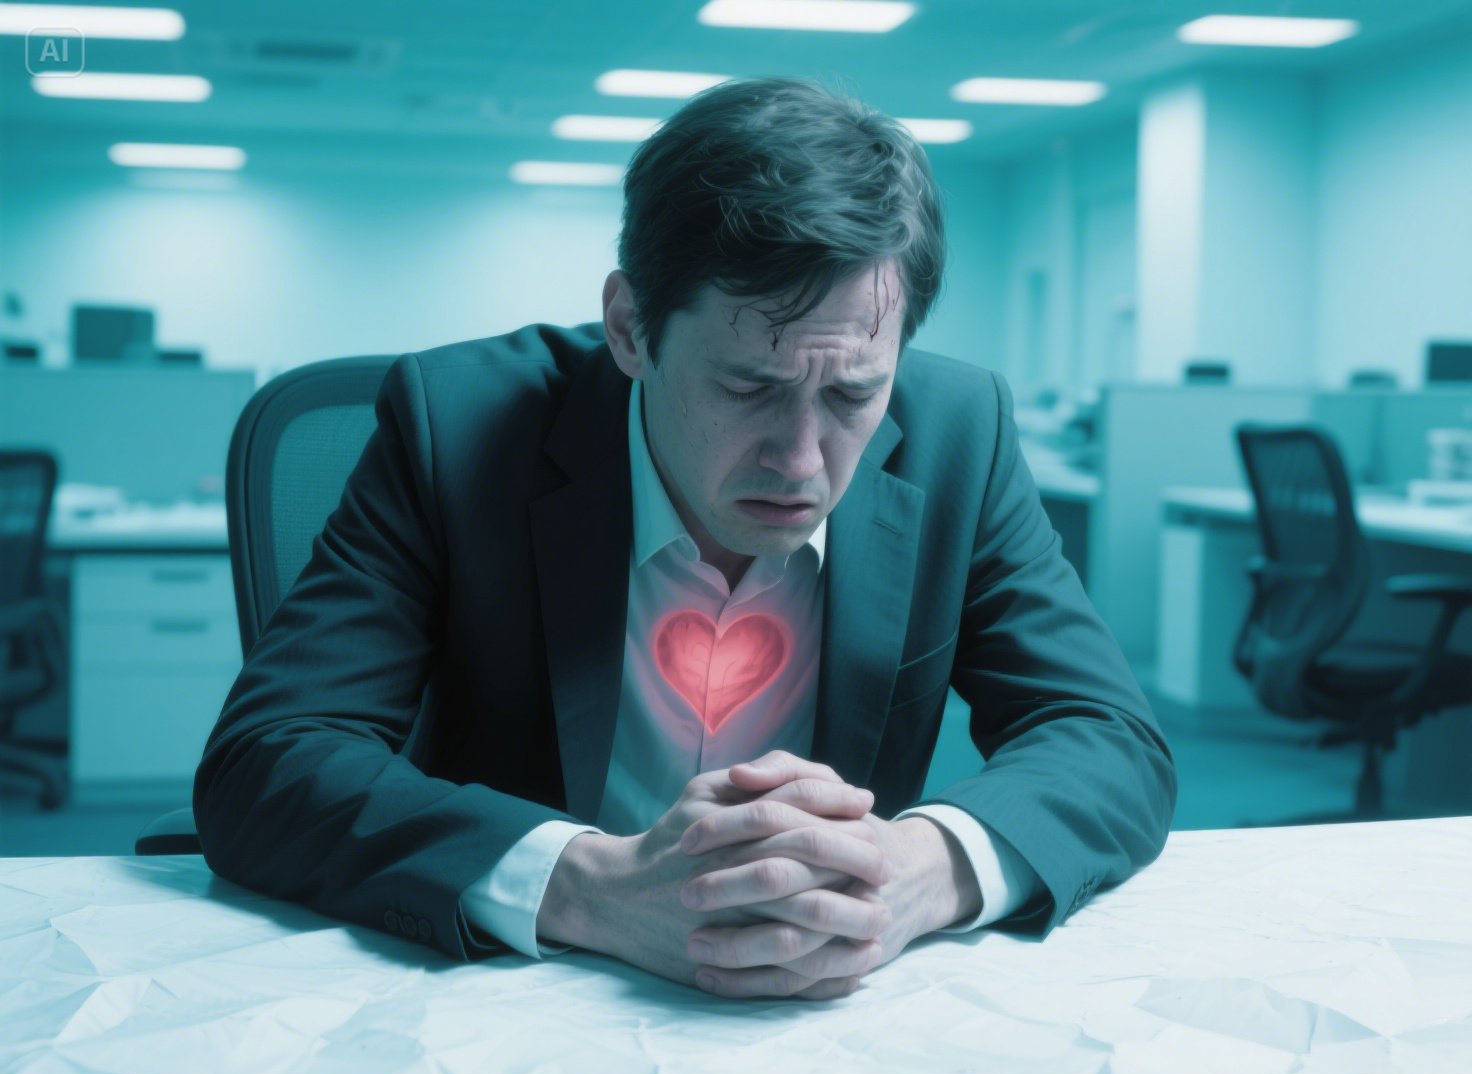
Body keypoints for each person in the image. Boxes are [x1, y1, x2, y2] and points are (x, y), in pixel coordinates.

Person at [194, 76, 1176, 1002]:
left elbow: (1107, 738)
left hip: (825, 1009)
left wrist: (917, 870)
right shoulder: (454, 428)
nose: (801, 462)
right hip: (524, 999)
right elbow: (269, 757)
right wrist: (590, 886)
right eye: (748, 386)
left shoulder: (958, 437)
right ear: (629, 328)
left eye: (850, 394)